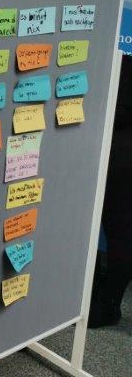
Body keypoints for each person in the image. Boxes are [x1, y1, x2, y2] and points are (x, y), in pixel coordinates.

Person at [89, 53, 132, 328]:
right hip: (111, 145)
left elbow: (121, 110)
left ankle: (104, 304)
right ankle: (99, 300)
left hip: (117, 150)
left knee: (116, 231)